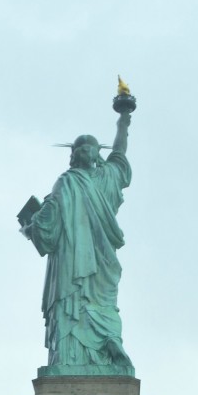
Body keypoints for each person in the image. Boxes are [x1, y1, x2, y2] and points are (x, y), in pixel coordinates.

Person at [21, 103, 134, 374]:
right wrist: (31, 227)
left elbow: (119, 153)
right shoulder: (73, 181)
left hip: (92, 261)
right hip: (78, 260)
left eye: (89, 147)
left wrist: (124, 120)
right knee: (83, 304)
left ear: (97, 154)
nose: (84, 151)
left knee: (94, 305)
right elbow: (48, 221)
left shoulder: (92, 179)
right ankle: (84, 352)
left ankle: (99, 347)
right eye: (80, 148)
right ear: (73, 155)